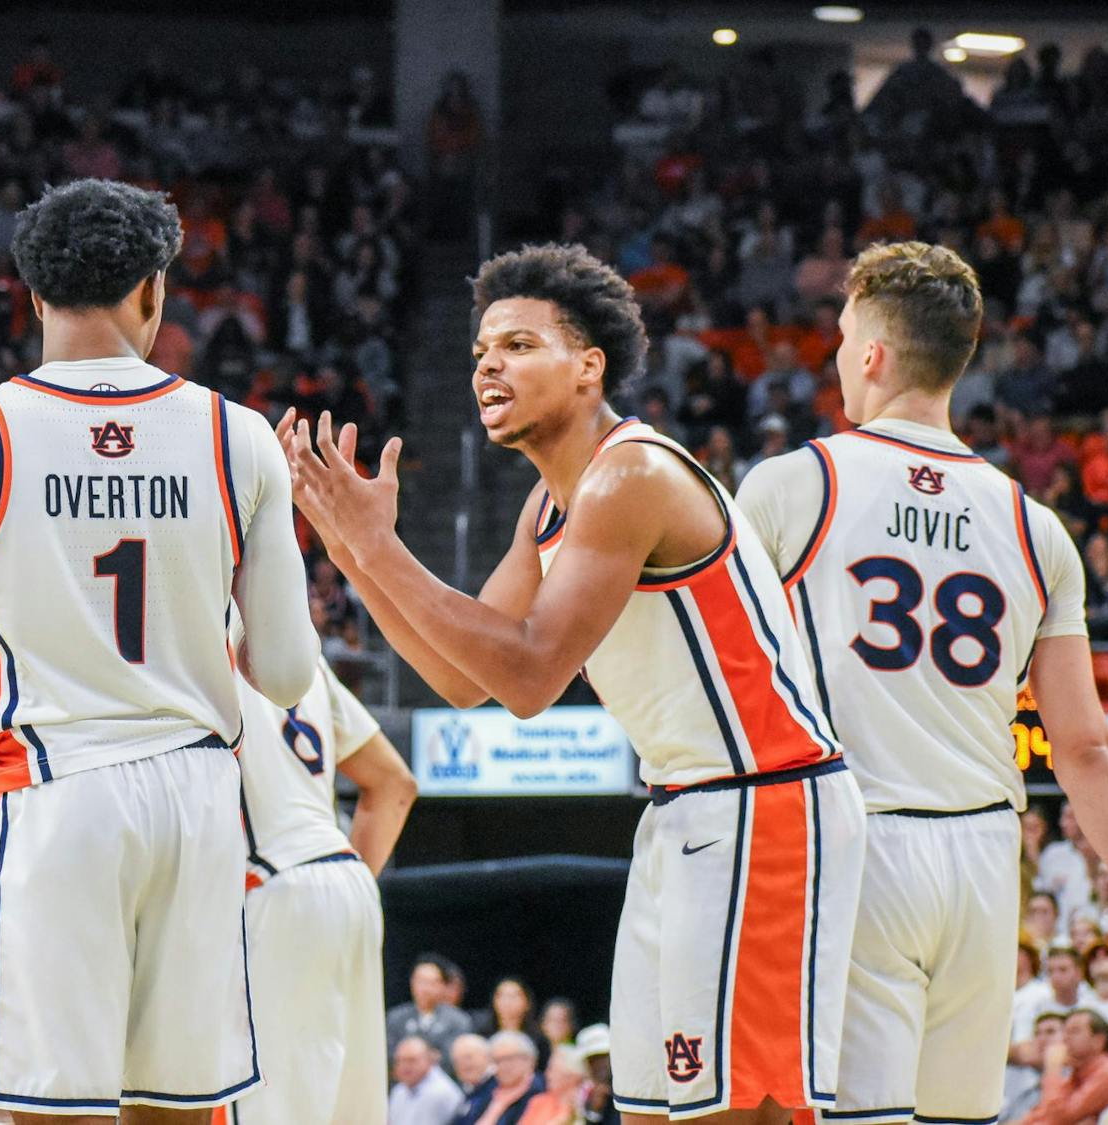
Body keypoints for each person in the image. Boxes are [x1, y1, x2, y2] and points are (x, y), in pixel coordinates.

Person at [279, 242, 865, 1123]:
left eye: (517, 344)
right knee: (649, 1104)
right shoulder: (547, 503)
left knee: (732, 1111)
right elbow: (462, 679)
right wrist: (350, 550)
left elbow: (526, 673)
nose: (487, 364)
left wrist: (376, 546)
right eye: (480, 350)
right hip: (683, 808)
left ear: (589, 366)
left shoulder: (632, 472)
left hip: (764, 803)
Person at [0, 178, 318, 1124]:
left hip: (55, 788)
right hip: (201, 796)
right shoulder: (237, 434)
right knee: (176, 1106)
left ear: (34, 296)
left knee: (53, 1108)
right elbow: (287, 675)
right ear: (155, 291)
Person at [735, 240, 1108, 1125]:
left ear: (871, 353)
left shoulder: (794, 484)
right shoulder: (1034, 523)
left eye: (842, 336)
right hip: (981, 857)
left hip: (856, 842)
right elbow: (1084, 750)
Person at [230, 650, 416, 1125]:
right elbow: (395, 784)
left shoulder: (199, 627)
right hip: (348, 881)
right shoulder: (303, 653)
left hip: (272, 881)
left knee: (266, 1111)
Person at [1021, 1009, 1108, 1125]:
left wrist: (1052, 1068)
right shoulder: (1078, 1071)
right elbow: (1040, 1116)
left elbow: (1057, 1118)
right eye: (1065, 1032)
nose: (1065, 1038)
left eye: (1074, 1031)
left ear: (1098, 1040)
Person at [389, 954, 475, 1061]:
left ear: (443, 986)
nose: (425, 988)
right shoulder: (395, 1018)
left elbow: (455, 1057)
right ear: (412, 982)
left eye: (432, 982)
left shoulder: (459, 1020)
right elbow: (390, 1054)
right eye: (421, 981)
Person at [392, 1036, 465, 1125]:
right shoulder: (399, 1091)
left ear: (430, 1060)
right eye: (400, 1061)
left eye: (411, 1060)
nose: (405, 1067)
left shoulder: (441, 1091)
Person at [518, 1045, 588, 1125]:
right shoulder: (538, 1102)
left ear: (571, 1077)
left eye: (552, 1070)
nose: (547, 1075)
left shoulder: (584, 1104)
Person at [575, 1025, 618, 1125]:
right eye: (592, 1060)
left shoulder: (625, 1090)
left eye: (603, 1057)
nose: (599, 1065)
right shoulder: (585, 1095)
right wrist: (595, 1111)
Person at [451, 1033, 497, 1122]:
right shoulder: (465, 1091)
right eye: (457, 1061)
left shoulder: (499, 1086)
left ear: (487, 1056)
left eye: (468, 1057)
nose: (463, 1064)